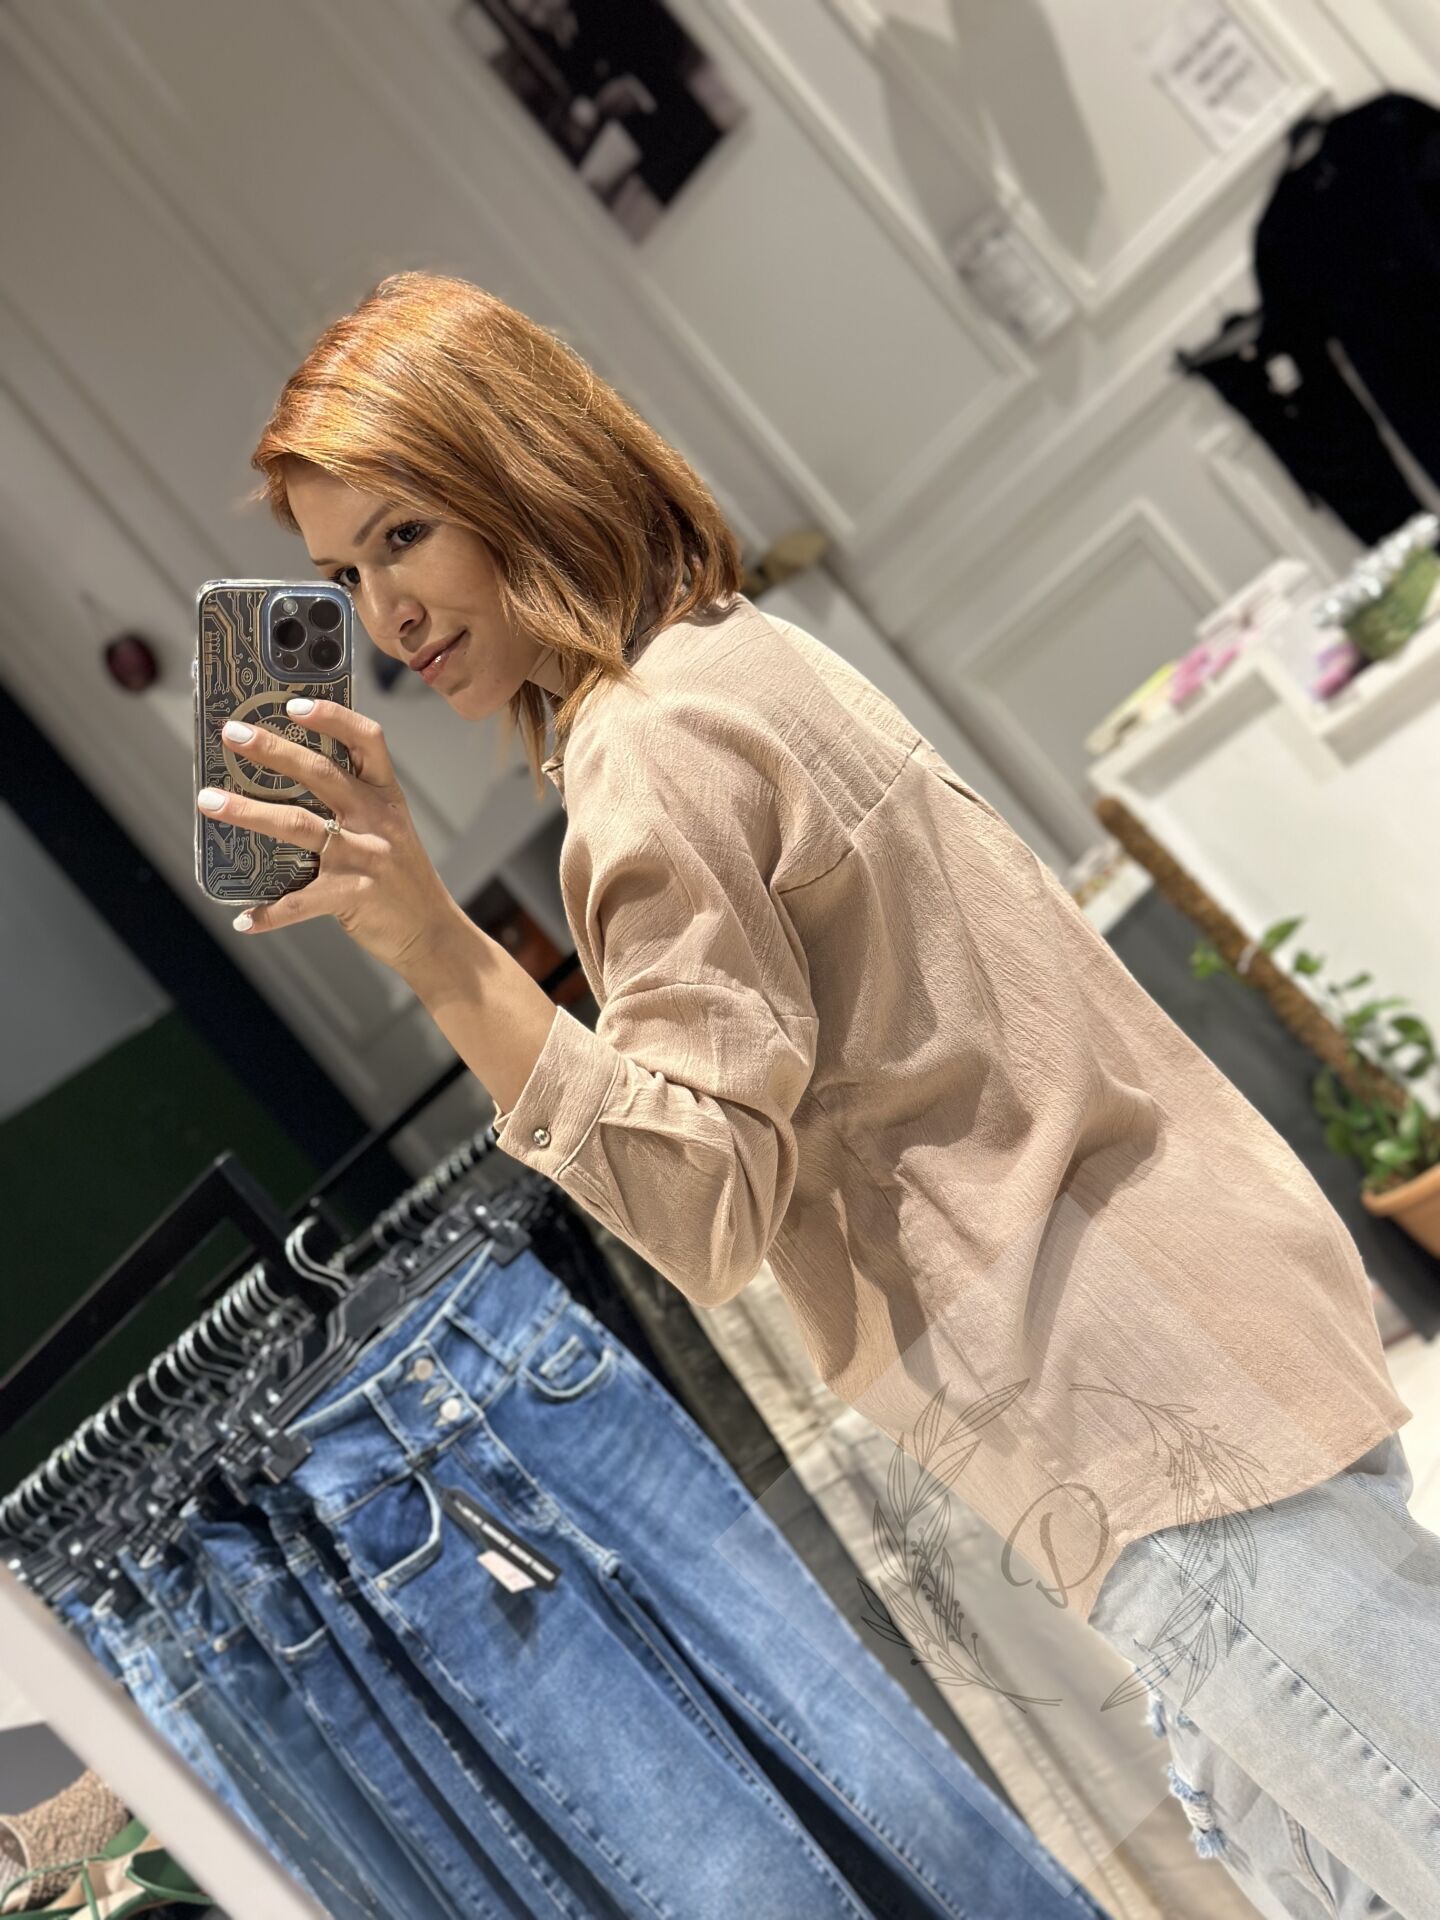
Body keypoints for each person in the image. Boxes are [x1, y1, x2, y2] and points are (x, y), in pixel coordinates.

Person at [204, 269, 1432, 1918]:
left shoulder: (650, 755)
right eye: (345, 575)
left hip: (1127, 1416)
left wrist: (438, 947)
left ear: (520, 469)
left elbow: (704, 1213)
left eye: (404, 534)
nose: (387, 612)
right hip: (1203, 1327)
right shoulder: (731, 660)